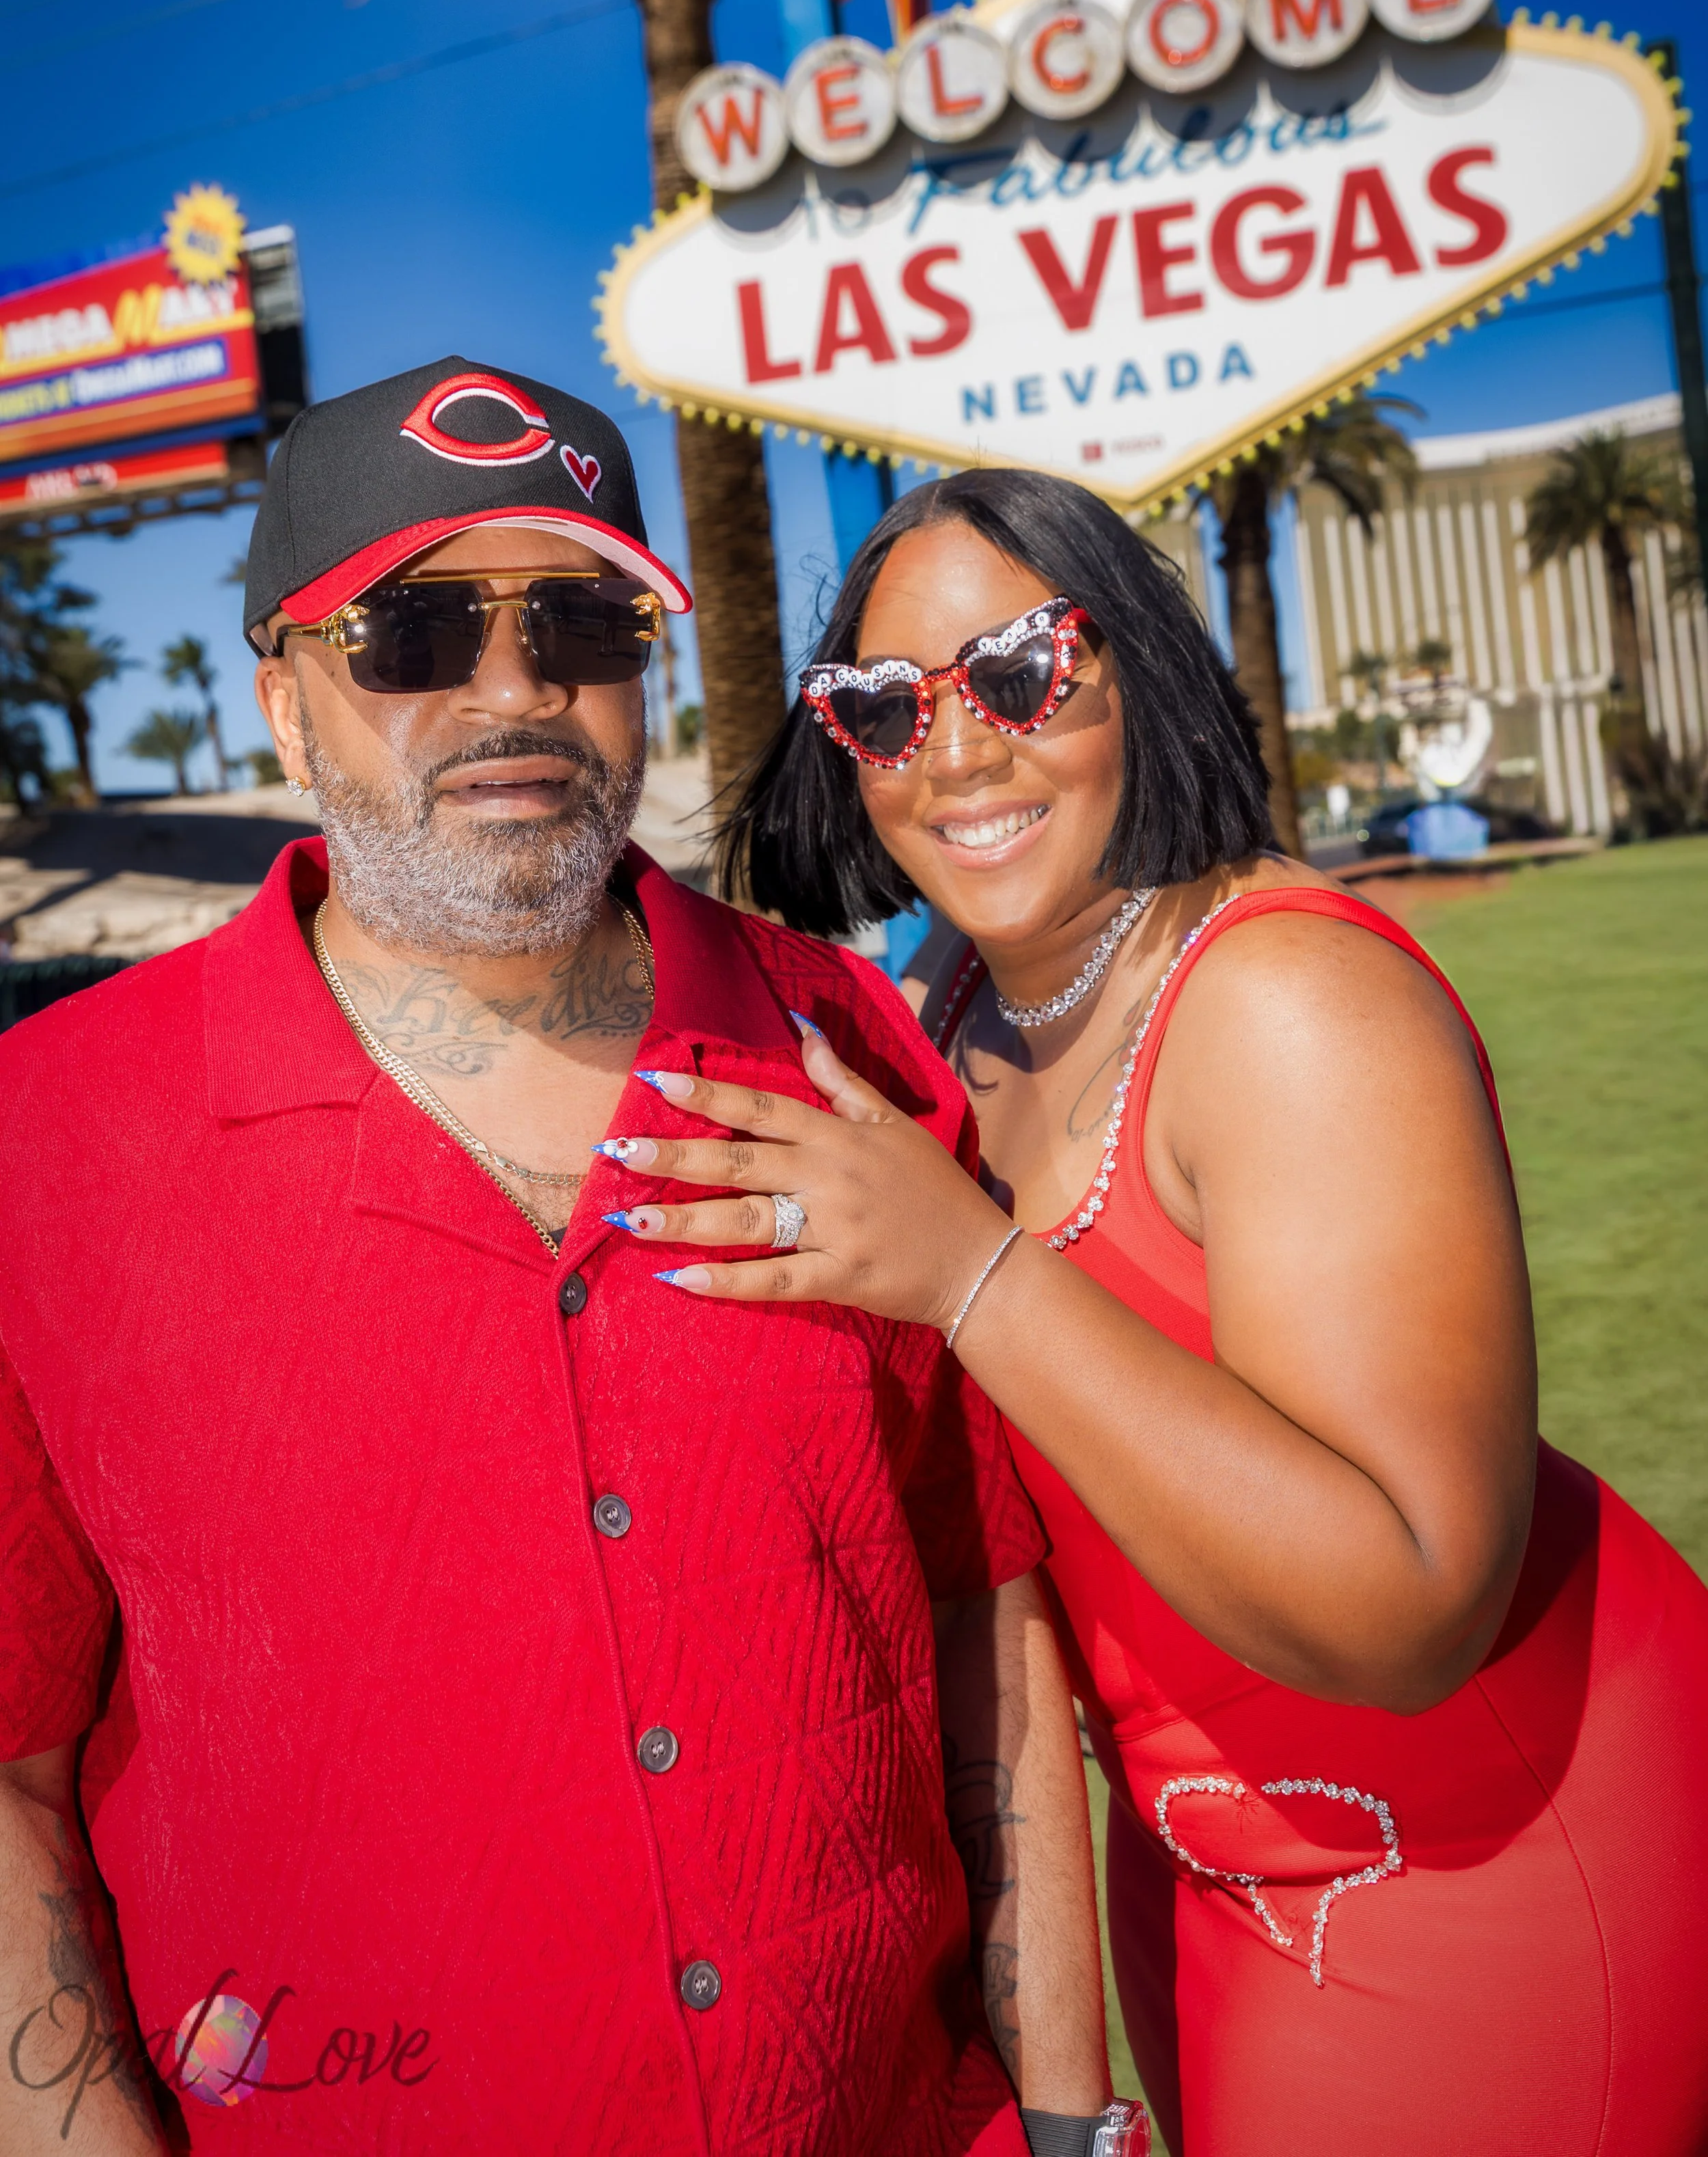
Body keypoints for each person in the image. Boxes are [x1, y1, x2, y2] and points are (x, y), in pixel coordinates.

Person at [0, 370, 1125, 2157]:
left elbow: (986, 1605)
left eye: (583, 620)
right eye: (415, 629)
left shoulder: (842, 1039)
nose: (515, 687)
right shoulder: (43, 1143)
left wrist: (1066, 2117)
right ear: (285, 699)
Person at [611, 465, 1708, 2157]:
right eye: (886, 706)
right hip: (1196, 1854)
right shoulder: (960, 997)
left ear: (1138, 664)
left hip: (1483, 1839)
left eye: (1016, 674)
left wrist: (964, 1270)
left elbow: (1412, 1606)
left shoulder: (1285, 1000)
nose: (954, 750)